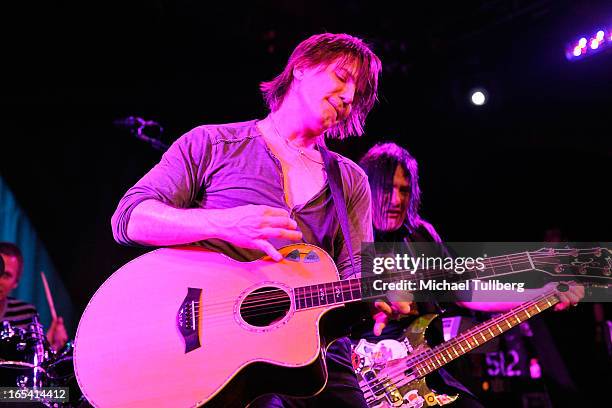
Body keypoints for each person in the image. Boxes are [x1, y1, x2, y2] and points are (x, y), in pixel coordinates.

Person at [111, 33, 385, 407]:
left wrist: (385, 287)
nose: (349, 97)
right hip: (216, 350)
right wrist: (225, 224)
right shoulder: (211, 144)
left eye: (359, 92)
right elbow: (130, 218)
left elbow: (357, 270)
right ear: (302, 68)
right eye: (342, 76)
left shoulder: (350, 179)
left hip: (316, 353)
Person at [354, 142, 584, 406]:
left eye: (404, 190)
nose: (396, 200)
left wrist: (541, 292)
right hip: (365, 377)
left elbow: (468, 291)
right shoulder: (349, 236)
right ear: (367, 188)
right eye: (386, 189)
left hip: (425, 375)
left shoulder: (421, 237)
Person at [0, 242, 69, 352]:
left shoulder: (27, 314)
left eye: (6, 275)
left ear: (16, 282)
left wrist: (51, 347)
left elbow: (34, 366)